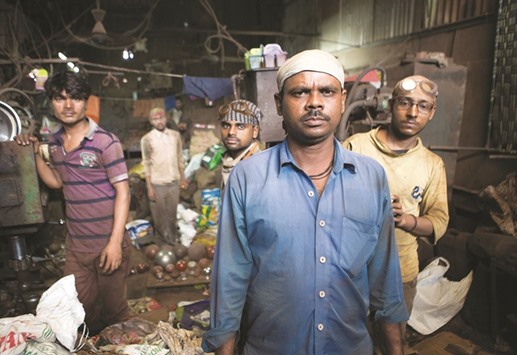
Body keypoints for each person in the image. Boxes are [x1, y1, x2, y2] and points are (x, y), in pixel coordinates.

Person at [202, 49, 408, 355]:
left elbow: (385, 281)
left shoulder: (371, 178)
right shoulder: (248, 178)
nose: (314, 102)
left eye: (326, 91)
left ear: (342, 99)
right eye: (300, 92)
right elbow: (229, 280)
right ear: (278, 105)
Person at [14, 71, 131, 335]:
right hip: (77, 247)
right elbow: (57, 182)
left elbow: (123, 192)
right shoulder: (54, 143)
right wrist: (34, 154)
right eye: (60, 98)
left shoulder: (105, 142)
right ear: (52, 102)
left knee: (116, 315)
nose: (68, 105)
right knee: (78, 310)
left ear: (86, 102)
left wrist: (115, 243)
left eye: (76, 98)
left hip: (106, 244)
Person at [343, 75, 449, 342]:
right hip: (351, 268)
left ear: (432, 112)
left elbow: (438, 220)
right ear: (391, 105)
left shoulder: (431, 164)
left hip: (400, 273)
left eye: (423, 106)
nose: (413, 113)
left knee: (390, 343)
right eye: (405, 103)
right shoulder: (356, 147)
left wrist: (406, 220)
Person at [141, 107, 187, 245]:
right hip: (157, 184)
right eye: (155, 119)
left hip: (174, 183)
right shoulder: (147, 139)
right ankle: (162, 244)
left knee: (172, 216)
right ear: (151, 122)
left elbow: (180, 158)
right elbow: (146, 164)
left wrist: (183, 178)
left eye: (161, 118)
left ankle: (173, 242)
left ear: (166, 118)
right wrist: (149, 187)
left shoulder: (175, 135)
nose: (159, 121)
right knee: (159, 217)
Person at [218, 99, 263, 191]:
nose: (231, 132)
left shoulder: (259, 168)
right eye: (226, 126)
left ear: (255, 131)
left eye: (240, 126)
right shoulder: (229, 161)